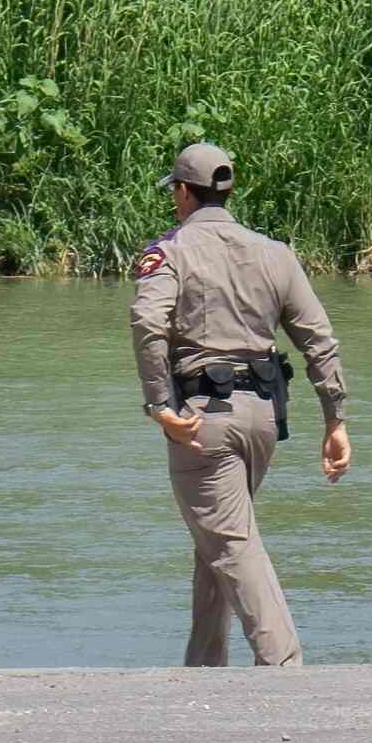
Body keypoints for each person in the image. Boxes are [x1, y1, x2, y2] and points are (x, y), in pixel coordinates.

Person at [128, 136, 349, 667]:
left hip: (202, 419)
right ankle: (204, 670)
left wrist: (160, 406)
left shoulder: (170, 252)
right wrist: (335, 418)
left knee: (230, 543)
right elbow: (319, 339)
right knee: (219, 540)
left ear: (184, 192)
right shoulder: (275, 253)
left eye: (174, 191)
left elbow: (147, 322)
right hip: (264, 418)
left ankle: (284, 666)